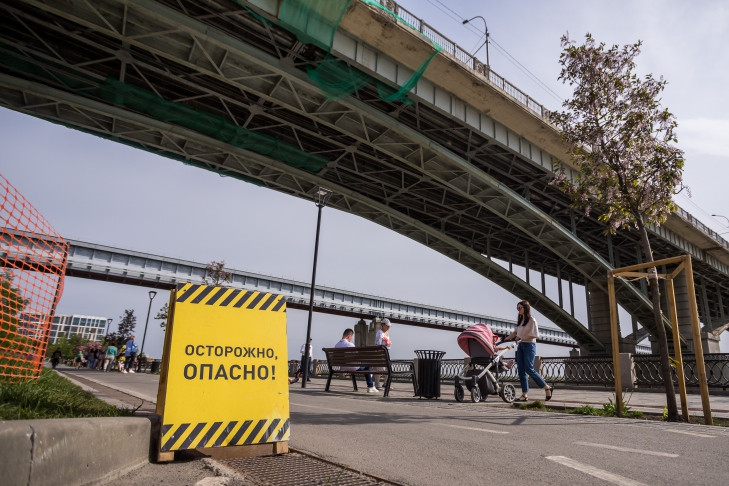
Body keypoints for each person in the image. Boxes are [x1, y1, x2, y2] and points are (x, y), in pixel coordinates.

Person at [505, 300, 552, 402]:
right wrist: (506, 338)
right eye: (517, 308)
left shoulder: (532, 320)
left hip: (529, 345)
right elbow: (515, 333)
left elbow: (535, 335)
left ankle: (547, 388)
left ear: (525, 308)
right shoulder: (521, 320)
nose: (518, 310)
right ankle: (524, 394)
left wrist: (521, 337)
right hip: (521, 346)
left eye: (519, 308)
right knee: (521, 370)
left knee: (529, 368)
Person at [335, 328, 378, 393]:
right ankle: (370, 386)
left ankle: (369, 379)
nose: (351, 339)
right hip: (353, 367)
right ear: (349, 336)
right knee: (368, 365)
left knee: (366, 367)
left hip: (343, 367)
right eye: (351, 337)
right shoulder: (350, 345)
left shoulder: (337, 345)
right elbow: (357, 357)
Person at [374, 319, 392, 388]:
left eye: (389, 326)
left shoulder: (387, 333)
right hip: (381, 353)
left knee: (388, 368)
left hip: (386, 353)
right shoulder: (380, 333)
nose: (388, 327)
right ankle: (377, 385)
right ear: (383, 325)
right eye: (387, 326)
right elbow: (378, 343)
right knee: (379, 369)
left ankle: (385, 383)